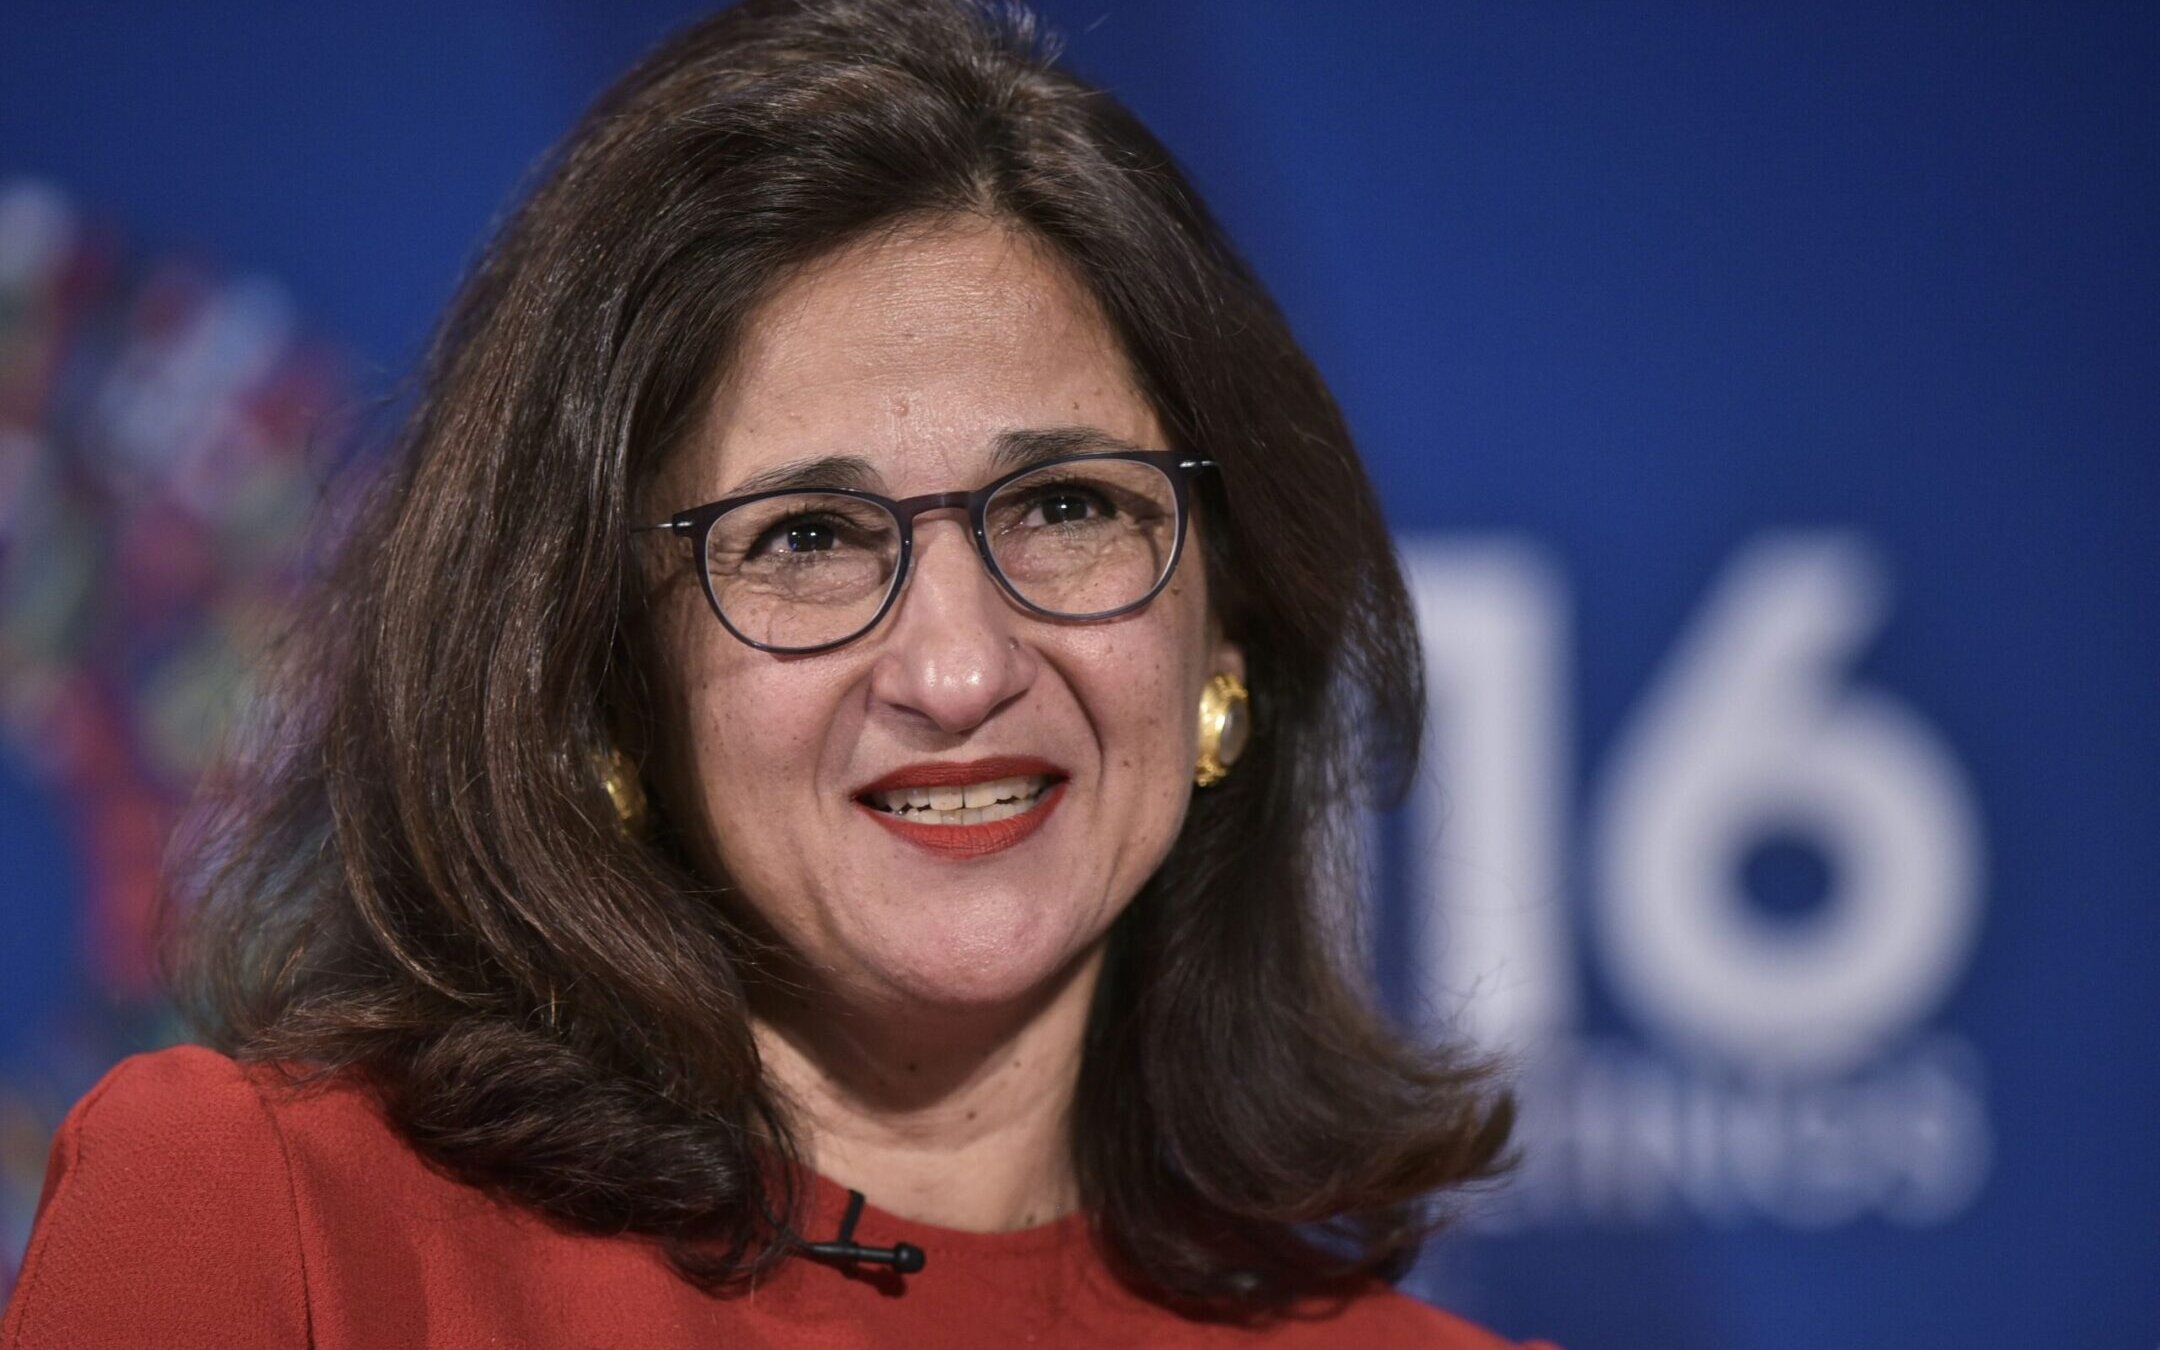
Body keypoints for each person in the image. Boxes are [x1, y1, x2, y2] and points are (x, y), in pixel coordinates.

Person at [2, 1, 1559, 1346]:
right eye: (808, 536)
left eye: (1069, 507)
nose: (958, 666)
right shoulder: (270, 1233)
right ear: (604, 678)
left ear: (1223, 632)